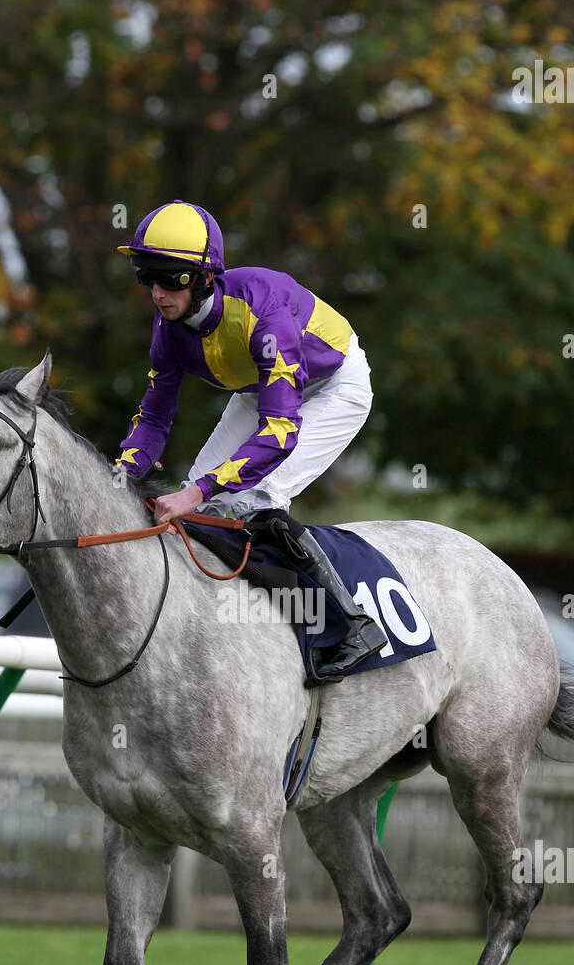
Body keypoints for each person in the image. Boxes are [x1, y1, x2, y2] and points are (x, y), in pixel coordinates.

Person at [115, 199, 386, 682]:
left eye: (170, 278)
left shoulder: (264, 308)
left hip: (333, 387)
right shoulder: (169, 328)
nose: (157, 293)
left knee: (258, 497)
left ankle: (352, 626)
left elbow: (280, 430)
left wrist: (198, 491)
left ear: (203, 277)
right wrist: (120, 476)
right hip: (260, 388)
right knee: (200, 505)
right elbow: (154, 418)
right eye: (146, 277)